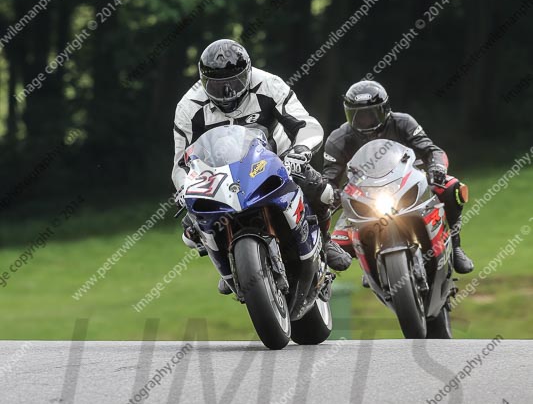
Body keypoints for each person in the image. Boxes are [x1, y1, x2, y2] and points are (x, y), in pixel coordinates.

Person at [172, 39, 351, 293]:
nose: (228, 93)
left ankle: (325, 241)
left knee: (321, 191)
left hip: (276, 159)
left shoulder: (269, 84)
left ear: (248, 74)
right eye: (217, 86)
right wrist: (183, 188)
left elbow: (306, 124)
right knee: (192, 227)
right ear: (203, 82)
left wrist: (299, 151)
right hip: (218, 175)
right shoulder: (189, 107)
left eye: (234, 83)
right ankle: (231, 265)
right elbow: (180, 161)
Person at [323, 80, 474, 274]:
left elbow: (431, 150)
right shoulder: (338, 139)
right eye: (358, 115)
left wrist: (437, 167)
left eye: (370, 113)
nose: (364, 120)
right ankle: (359, 268)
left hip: (407, 181)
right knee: (334, 245)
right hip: (364, 195)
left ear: (385, 109)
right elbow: (329, 178)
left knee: (452, 187)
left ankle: (457, 247)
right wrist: (331, 193)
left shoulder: (403, 122)